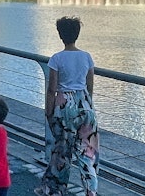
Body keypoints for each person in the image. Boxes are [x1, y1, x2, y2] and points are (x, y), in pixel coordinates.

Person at [36, 16, 99, 196]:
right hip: (85, 104)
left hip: (64, 106)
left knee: (62, 151)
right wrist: (87, 105)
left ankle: (55, 190)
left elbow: (51, 89)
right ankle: (91, 191)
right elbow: (90, 86)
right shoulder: (87, 57)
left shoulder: (56, 59)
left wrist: (48, 112)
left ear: (60, 35)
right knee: (87, 152)